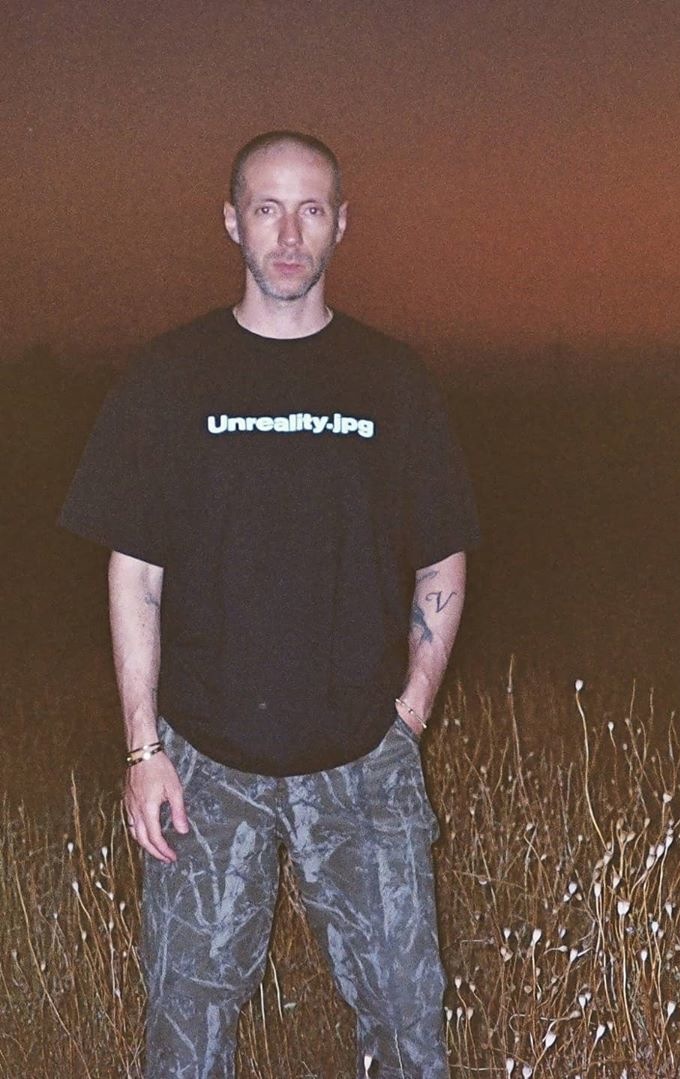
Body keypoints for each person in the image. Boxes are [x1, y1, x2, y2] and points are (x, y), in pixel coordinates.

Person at [59, 130, 480, 1079]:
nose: (289, 235)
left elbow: (443, 548)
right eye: (267, 209)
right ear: (231, 222)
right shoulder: (169, 376)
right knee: (185, 1040)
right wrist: (144, 750)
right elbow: (135, 571)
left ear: (342, 225)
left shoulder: (392, 378)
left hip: (364, 764)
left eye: (311, 209)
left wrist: (411, 712)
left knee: (410, 1031)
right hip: (206, 766)